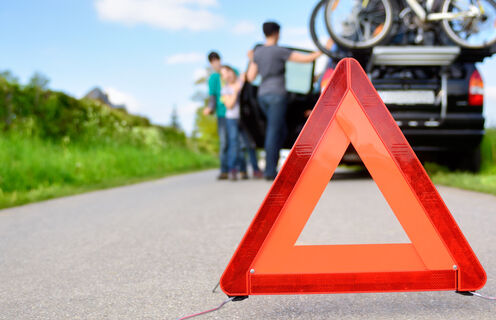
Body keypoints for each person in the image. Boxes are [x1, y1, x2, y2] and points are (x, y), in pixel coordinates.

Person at [246, 21, 331, 180]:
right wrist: (324, 47)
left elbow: (250, 77)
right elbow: (307, 59)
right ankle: (270, 171)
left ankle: (275, 165)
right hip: (277, 95)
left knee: (280, 130)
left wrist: (252, 59)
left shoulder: (257, 53)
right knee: (274, 131)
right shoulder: (279, 51)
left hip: (262, 96)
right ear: (277, 33)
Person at [204, 51, 229, 180]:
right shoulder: (213, 78)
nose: (215, 63)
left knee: (237, 142)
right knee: (224, 142)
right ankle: (224, 170)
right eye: (212, 61)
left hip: (235, 112)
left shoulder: (229, 71)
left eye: (217, 60)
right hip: (222, 113)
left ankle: (239, 169)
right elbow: (212, 96)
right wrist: (210, 108)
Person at [220, 65, 243, 181]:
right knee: (234, 143)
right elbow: (229, 105)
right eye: (223, 75)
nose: (227, 76)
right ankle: (232, 169)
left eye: (227, 72)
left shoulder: (241, 81)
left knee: (246, 143)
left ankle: (246, 169)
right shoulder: (225, 90)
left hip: (244, 118)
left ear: (232, 71)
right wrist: (235, 91)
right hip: (232, 118)